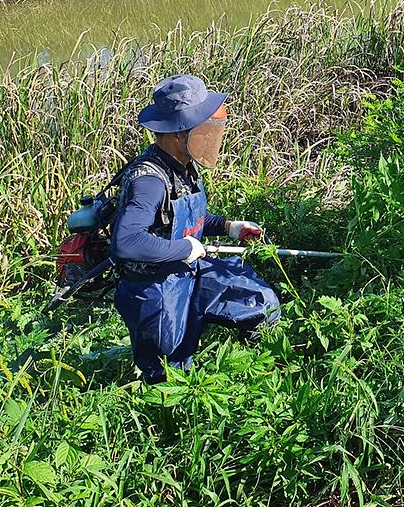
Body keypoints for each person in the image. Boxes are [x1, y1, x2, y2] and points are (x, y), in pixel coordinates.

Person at [111, 74, 280, 383]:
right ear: (177, 133)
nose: (209, 136)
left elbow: (182, 216)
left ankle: (254, 366)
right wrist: (186, 248)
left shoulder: (182, 164)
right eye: (203, 128)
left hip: (188, 271)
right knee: (169, 373)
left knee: (260, 302)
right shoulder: (148, 180)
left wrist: (229, 227)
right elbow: (126, 241)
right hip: (156, 288)